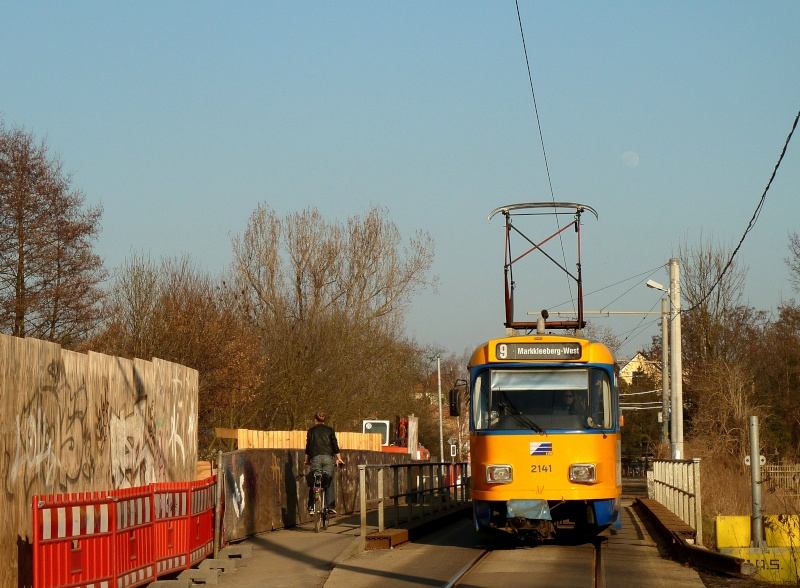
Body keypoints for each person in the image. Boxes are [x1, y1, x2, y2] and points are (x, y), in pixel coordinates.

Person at [304, 411, 345, 516]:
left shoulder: (311, 431)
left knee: (315, 482)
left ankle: (312, 506)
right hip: (328, 458)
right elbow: (335, 445)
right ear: (324, 420)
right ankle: (330, 506)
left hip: (315, 458)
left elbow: (308, 447)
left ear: (315, 420)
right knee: (328, 481)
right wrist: (339, 458)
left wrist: (306, 460)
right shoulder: (330, 430)